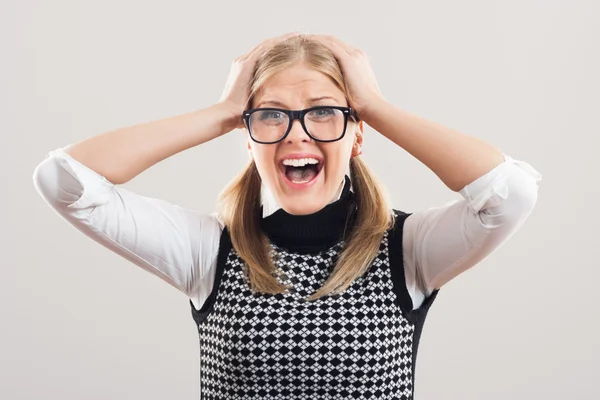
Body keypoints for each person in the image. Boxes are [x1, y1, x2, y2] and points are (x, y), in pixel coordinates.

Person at [32, 32, 542, 399]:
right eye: (271, 114)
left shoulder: (409, 249)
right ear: (248, 134)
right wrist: (222, 111)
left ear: (357, 134)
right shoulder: (207, 251)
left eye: (325, 111)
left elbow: (510, 193)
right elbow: (65, 180)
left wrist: (375, 105)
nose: (296, 134)